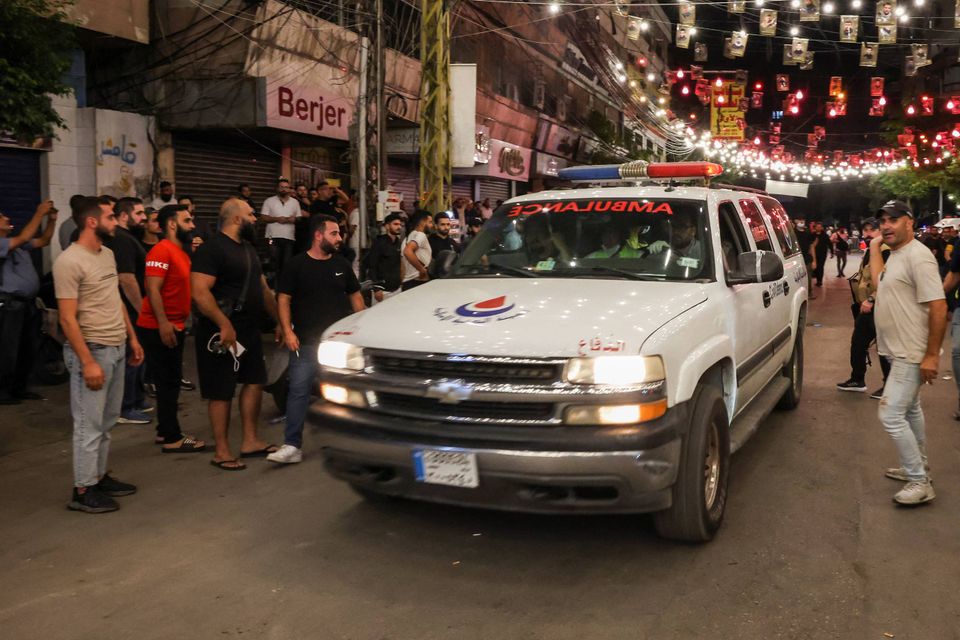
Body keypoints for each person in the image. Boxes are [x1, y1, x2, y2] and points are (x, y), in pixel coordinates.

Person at [54, 197, 144, 513]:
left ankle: (98, 476)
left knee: (106, 422)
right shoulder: (69, 261)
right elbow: (67, 319)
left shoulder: (107, 254)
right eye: (110, 217)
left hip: (116, 346)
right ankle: (83, 490)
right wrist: (88, 362)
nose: (116, 221)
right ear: (92, 222)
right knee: (88, 425)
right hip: (91, 351)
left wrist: (132, 337)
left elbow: (114, 299)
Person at [191, 198, 280, 470]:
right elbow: (200, 292)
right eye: (251, 214)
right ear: (236, 219)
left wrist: (280, 322)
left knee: (255, 381)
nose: (255, 219)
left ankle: (250, 441)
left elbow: (263, 289)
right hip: (220, 331)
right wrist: (223, 323)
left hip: (248, 328)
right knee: (221, 390)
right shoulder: (212, 249)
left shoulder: (248, 249)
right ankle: (222, 451)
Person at [269, 215, 365, 464]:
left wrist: (363, 329)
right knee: (298, 391)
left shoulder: (342, 264)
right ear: (318, 235)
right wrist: (287, 331)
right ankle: (292, 446)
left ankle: (355, 444)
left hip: (338, 345)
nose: (339, 238)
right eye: (334, 233)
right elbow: (283, 299)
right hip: (305, 342)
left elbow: (355, 297)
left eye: (339, 233)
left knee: (347, 393)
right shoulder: (296, 265)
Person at [871, 200, 946, 506]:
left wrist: (931, 356)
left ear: (910, 222)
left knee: (890, 414)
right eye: (882, 221)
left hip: (911, 352)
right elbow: (879, 284)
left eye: (893, 220)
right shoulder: (898, 255)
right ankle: (918, 466)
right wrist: (875, 247)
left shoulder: (919, 257)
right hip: (898, 350)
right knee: (911, 409)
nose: (886, 226)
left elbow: (938, 306)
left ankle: (919, 481)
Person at [137, 205, 206, 454]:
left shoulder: (181, 252)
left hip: (174, 324)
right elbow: (152, 289)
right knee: (167, 381)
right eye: (187, 221)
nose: (192, 225)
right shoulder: (161, 250)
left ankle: (164, 430)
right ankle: (172, 437)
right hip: (158, 326)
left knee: (170, 380)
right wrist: (163, 322)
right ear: (172, 224)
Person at [0, 200, 57, 404]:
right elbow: (25, 236)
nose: (7, 218)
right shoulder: (4, 244)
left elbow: (44, 241)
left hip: (28, 304)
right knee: (8, 349)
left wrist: (52, 220)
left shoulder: (18, 245)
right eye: (1, 217)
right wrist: (39, 212)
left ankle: (19, 388)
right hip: (9, 305)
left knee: (28, 347)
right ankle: (3, 392)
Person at [108, 197, 153, 425]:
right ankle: (125, 407)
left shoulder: (128, 237)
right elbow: (126, 278)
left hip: (133, 310)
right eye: (139, 213)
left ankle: (135, 400)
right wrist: (142, 309)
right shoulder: (122, 240)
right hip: (130, 310)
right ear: (124, 216)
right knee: (132, 358)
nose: (144, 218)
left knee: (138, 357)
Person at [837, 218, 891, 397]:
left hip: (880, 306)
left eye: (871, 230)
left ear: (880, 231)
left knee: (884, 348)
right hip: (866, 307)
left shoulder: (886, 251)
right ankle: (857, 379)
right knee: (858, 343)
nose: (867, 234)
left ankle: (889, 386)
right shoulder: (870, 251)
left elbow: (886, 279)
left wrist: (872, 299)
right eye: (865, 230)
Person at [261, 178, 302, 283]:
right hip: (272, 237)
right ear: (277, 188)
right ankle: (271, 286)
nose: (284, 189)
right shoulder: (269, 201)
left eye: (286, 187)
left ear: (289, 189)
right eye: (281, 187)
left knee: (286, 263)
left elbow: (299, 218)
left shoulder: (295, 202)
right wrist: (277, 219)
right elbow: (263, 217)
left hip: (289, 237)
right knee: (272, 262)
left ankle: (283, 286)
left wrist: (294, 219)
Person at [364, 212, 404, 304]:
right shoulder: (379, 243)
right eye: (395, 224)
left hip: (397, 289)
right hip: (382, 291)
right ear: (387, 226)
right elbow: (372, 266)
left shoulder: (399, 242)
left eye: (400, 225)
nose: (399, 227)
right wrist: (376, 288)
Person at [401, 210, 435, 290]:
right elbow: (407, 251)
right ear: (422, 222)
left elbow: (402, 266)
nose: (432, 225)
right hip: (418, 283)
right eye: (430, 222)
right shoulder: (421, 235)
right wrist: (422, 270)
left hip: (407, 283)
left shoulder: (406, 239)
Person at [428, 212, 460, 277]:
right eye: (442, 224)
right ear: (436, 226)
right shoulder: (429, 241)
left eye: (448, 224)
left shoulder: (453, 242)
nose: (446, 227)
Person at [810, 221, 829, 287]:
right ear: (815, 227)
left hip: (822, 254)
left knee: (820, 267)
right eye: (817, 227)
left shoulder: (825, 235)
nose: (819, 228)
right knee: (815, 267)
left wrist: (832, 252)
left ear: (822, 228)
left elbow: (829, 243)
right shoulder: (812, 235)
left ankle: (819, 281)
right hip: (814, 254)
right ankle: (817, 277)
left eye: (820, 227)